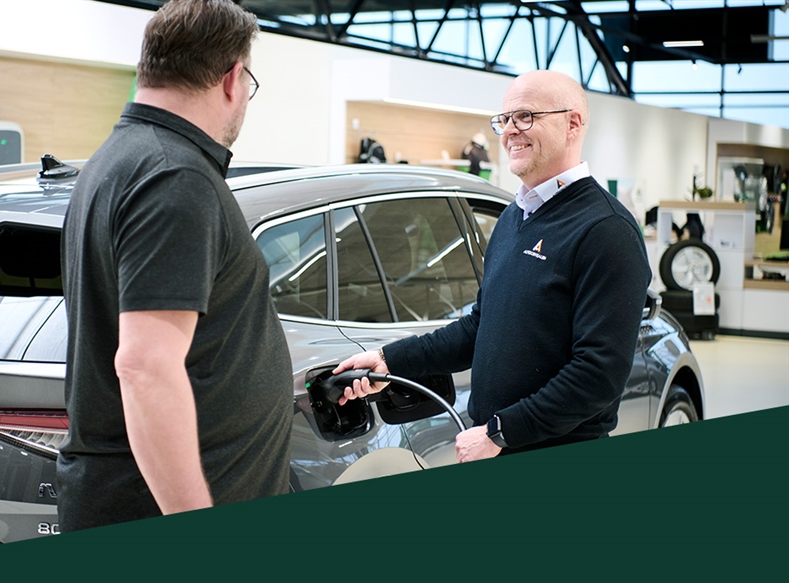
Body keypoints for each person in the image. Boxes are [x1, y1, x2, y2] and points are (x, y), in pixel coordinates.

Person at [57, 0, 293, 530]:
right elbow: (145, 367)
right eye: (249, 83)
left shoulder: (116, 160)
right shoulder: (176, 177)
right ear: (232, 78)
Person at [333, 70, 652, 463]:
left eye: (526, 116)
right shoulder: (513, 218)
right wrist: (389, 359)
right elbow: (480, 327)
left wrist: (501, 432)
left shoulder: (607, 230)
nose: (510, 130)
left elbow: (598, 375)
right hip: (496, 445)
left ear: (573, 123)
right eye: (505, 119)